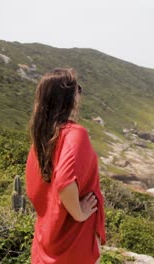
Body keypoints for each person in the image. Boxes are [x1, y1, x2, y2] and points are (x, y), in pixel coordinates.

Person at [25, 68, 106, 264]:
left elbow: (35, 191)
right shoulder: (74, 134)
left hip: (46, 242)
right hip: (73, 245)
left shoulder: (41, 140)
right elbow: (64, 181)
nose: (80, 93)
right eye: (78, 89)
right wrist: (80, 214)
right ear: (69, 97)